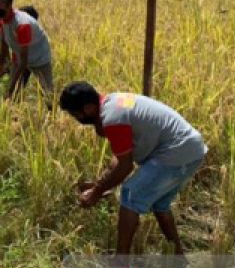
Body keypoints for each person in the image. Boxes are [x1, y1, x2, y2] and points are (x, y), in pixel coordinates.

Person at [60, 82, 206, 255]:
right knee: (160, 204)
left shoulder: (112, 118)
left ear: (89, 108)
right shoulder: (114, 102)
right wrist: (100, 184)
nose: (76, 119)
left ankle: (120, 263)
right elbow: (120, 159)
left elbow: (125, 166)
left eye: (76, 114)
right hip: (191, 149)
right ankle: (177, 255)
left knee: (130, 194)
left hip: (176, 151)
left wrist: (96, 192)